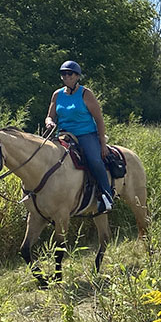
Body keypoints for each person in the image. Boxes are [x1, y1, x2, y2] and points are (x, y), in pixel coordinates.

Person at [45, 60, 114, 213]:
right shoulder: (57, 94)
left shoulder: (85, 94)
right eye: (63, 73)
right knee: (43, 158)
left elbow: (99, 119)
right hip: (63, 135)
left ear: (77, 76)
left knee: (95, 160)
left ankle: (106, 196)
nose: (66, 76)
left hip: (85, 134)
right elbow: (49, 116)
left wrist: (102, 143)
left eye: (70, 73)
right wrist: (49, 122)